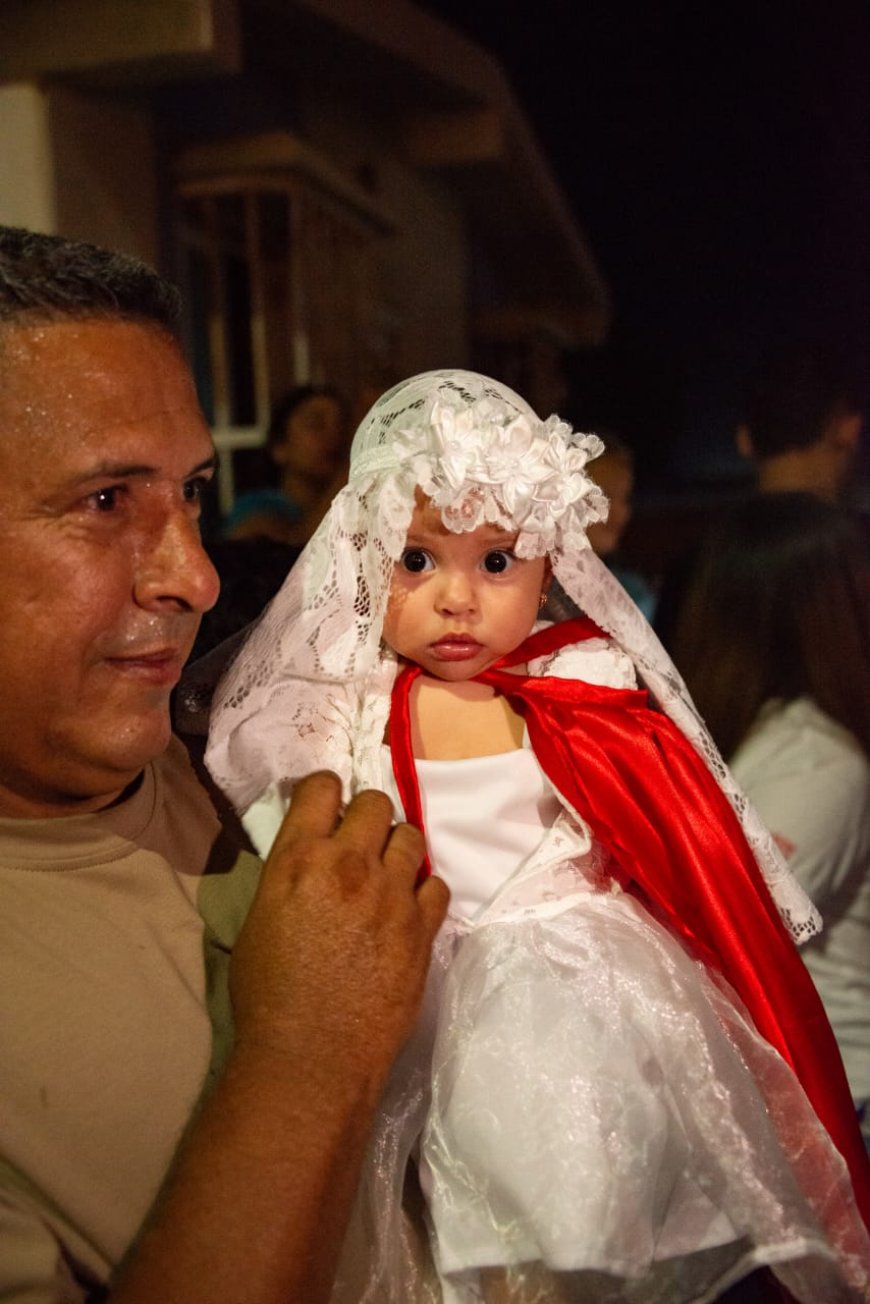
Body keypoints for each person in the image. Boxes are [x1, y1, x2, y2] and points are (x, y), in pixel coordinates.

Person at [207, 370, 870, 1303]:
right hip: (427, 987)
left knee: (585, 1204)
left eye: (496, 562)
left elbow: (667, 832)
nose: (457, 599)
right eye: (415, 559)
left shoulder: (582, 687)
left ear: (549, 566)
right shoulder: (346, 712)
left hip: (587, 994)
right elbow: (299, 824)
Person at [0, 226, 447, 1304]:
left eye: (194, 490)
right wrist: (309, 1055)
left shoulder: (253, 747)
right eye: (107, 502)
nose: (196, 576)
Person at [670, 493, 870, 1142]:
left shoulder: (819, 763)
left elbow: (737, 929)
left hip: (833, 1100)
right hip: (787, 1095)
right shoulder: (758, 734)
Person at [224, 384, 349, 545]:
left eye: (341, 426)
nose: (333, 436)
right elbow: (300, 547)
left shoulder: (355, 507)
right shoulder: (256, 508)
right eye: (316, 424)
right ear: (280, 447)